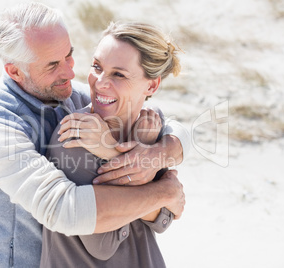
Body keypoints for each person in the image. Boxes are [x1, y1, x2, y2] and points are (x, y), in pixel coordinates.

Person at [0, 3, 189, 267]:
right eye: (53, 64)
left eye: (70, 55)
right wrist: (163, 192)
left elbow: (175, 130)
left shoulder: (66, 91)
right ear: (14, 71)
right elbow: (66, 211)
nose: (69, 72)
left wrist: (157, 152)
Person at [41, 21, 184, 268]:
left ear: (151, 85)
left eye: (118, 74)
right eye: (97, 67)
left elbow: (165, 219)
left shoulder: (151, 124)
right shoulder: (74, 138)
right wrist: (164, 192)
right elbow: (102, 244)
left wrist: (143, 146)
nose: (99, 82)